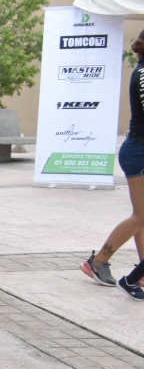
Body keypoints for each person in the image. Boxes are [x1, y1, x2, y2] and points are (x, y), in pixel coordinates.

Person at [82, 29, 144, 300]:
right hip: (138, 151)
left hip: (139, 149)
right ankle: (98, 261)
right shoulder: (142, 73)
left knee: (142, 218)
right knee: (140, 216)